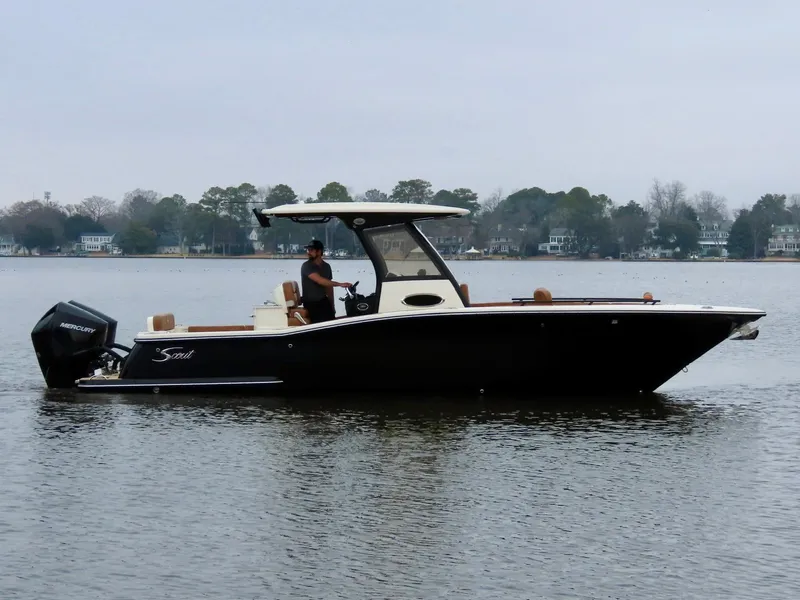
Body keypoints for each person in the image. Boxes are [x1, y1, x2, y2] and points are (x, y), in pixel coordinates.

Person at [300, 239, 351, 323]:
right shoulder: (306, 266)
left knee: (332, 321)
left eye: (311, 250)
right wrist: (340, 284)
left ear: (319, 251)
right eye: (308, 250)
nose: (308, 252)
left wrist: (332, 305)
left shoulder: (327, 267)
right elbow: (320, 280)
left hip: (323, 301)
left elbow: (329, 288)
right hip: (310, 303)